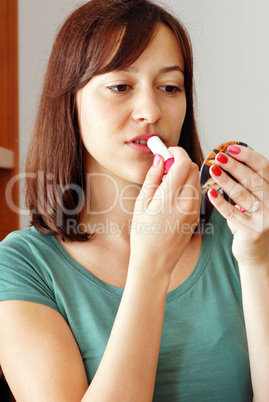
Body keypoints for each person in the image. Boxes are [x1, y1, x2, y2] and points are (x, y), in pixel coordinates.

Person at [0, 0, 268, 400]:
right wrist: (150, 267)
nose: (151, 110)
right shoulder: (21, 266)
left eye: (170, 87)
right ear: (70, 103)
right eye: (121, 86)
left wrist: (257, 260)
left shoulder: (242, 235)